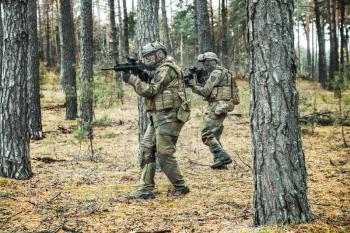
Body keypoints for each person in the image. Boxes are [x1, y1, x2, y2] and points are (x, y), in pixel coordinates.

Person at [122, 41, 190, 199]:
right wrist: (139, 73)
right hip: (159, 116)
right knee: (147, 148)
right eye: (146, 58)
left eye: (150, 57)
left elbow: (151, 90)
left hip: (169, 116)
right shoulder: (160, 69)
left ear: (160, 54)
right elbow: (152, 80)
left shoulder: (167, 69)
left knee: (164, 153)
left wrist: (132, 79)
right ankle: (146, 189)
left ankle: (181, 187)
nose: (148, 60)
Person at [187, 52, 240, 169]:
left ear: (212, 62)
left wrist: (192, 86)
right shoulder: (224, 71)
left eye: (206, 63)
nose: (204, 66)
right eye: (203, 64)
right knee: (215, 135)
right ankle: (220, 162)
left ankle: (223, 156)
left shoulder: (216, 72)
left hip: (217, 106)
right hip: (222, 105)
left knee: (206, 134)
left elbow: (205, 91)